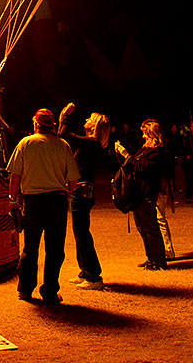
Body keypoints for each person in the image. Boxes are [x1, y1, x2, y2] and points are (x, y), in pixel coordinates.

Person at [8, 108, 79, 304]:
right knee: (55, 249)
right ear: (52, 125)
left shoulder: (26, 143)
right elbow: (73, 179)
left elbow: (15, 175)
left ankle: (25, 289)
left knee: (31, 248)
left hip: (33, 201)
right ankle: (49, 291)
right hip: (57, 200)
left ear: (35, 124)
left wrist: (13, 200)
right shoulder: (62, 145)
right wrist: (66, 194)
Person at [59, 103, 110, 289]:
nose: (86, 120)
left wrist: (64, 116)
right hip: (80, 191)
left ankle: (94, 276)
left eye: (90, 119)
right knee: (79, 233)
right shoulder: (90, 144)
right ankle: (85, 271)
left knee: (82, 233)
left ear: (95, 125)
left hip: (82, 191)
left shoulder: (91, 143)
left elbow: (64, 135)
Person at [115, 120, 170, 270]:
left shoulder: (156, 152)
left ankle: (159, 260)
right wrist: (122, 154)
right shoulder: (145, 150)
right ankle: (150, 257)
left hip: (146, 192)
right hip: (137, 193)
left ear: (152, 134)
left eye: (145, 133)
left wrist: (126, 154)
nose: (143, 137)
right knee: (141, 227)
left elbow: (140, 168)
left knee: (150, 227)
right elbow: (130, 164)